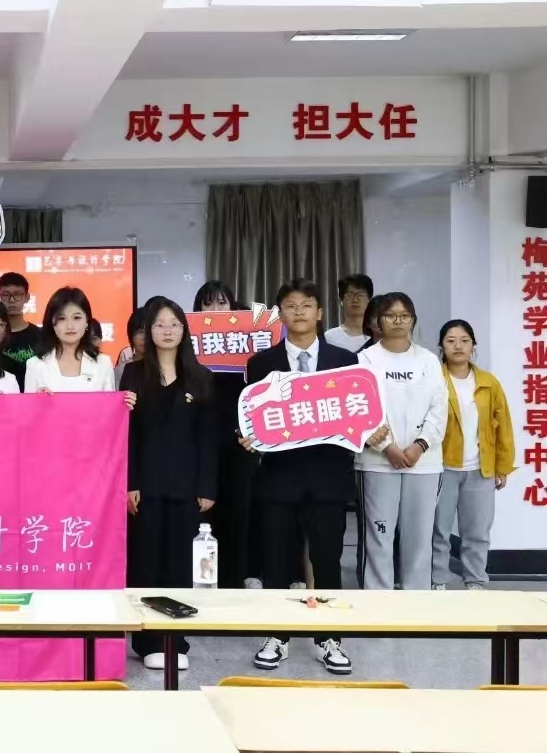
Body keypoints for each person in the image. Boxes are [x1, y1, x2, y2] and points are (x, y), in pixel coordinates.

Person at [244, 278, 360, 676]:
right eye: (290, 306)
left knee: (327, 561)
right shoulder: (261, 363)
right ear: (280, 314)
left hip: (329, 478)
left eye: (306, 305)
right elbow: (253, 417)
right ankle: (277, 635)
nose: (299, 312)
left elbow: (356, 412)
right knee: (276, 562)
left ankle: (329, 639)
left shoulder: (345, 361)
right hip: (279, 479)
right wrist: (248, 437)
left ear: (320, 312)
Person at [120, 296, 215, 671]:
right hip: (145, 484)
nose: (167, 331)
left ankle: (176, 639)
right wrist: (129, 482)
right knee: (146, 562)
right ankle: (146, 640)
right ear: (148, 331)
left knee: (180, 563)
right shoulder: (133, 374)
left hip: (187, 485)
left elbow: (208, 438)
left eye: (174, 324)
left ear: (184, 330)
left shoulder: (200, 377)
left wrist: (207, 486)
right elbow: (127, 434)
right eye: (159, 325)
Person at [356, 292, 448, 592]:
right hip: (378, 462)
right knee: (379, 534)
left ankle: (416, 599)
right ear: (378, 321)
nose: (398, 320)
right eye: (391, 315)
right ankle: (378, 597)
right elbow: (360, 406)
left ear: (413, 320)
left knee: (418, 536)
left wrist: (420, 445)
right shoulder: (365, 359)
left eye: (405, 315)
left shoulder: (428, 360)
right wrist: (388, 448)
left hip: (424, 463)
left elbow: (439, 408)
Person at [432, 320, 514, 590]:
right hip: (441, 467)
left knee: (477, 532)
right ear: (441, 346)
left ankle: (475, 581)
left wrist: (502, 466)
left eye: (464, 340)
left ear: (473, 346)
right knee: (439, 530)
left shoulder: (489, 383)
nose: (458, 346)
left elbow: (504, 427)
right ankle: (437, 581)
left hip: (481, 469)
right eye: (451, 340)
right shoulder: (434, 379)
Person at [192, 280, 256, 594]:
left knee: (237, 516)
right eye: (208, 304)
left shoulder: (249, 343)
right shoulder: (188, 346)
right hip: (198, 445)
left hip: (238, 444)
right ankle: (201, 585)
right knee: (203, 516)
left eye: (221, 303)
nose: (215, 310)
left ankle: (233, 585)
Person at [24, 287, 117, 393]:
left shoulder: (103, 363)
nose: (70, 326)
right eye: (61, 318)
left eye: (77, 318)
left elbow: (110, 403)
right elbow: (28, 404)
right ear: (51, 323)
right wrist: (37, 400)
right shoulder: (35, 365)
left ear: (87, 322)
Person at [0, 272, 41, 371]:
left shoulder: (40, 336)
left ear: (27, 297)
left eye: (17, 294)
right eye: (5, 295)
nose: (12, 300)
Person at [324, 274, 374, 353]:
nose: (355, 300)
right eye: (350, 295)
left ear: (369, 300)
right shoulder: (329, 337)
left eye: (361, 295)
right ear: (341, 300)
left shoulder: (376, 336)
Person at [115, 309, 146, 382]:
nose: (145, 337)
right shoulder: (121, 371)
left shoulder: (166, 368)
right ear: (130, 336)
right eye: (141, 331)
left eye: (149, 331)